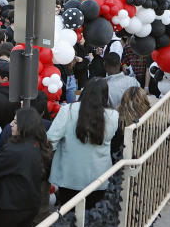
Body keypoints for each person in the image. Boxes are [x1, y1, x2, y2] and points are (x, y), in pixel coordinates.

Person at [46, 78, 119, 208]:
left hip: (68, 176)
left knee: (68, 219)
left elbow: (51, 140)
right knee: (92, 217)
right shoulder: (113, 116)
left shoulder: (67, 110)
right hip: (99, 178)